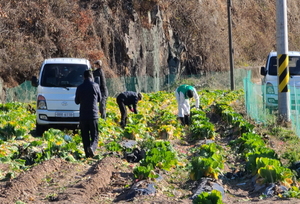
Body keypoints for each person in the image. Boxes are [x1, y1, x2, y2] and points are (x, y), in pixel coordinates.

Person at [75, 70, 102, 158]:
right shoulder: (95, 86)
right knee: (94, 135)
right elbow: (99, 99)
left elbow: (77, 101)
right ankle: (92, 148)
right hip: (93, 114)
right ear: (92, 77)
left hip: (83, 115)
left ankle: (87, 154)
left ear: (84, 77)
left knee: (85, 135)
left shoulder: (79, 87)